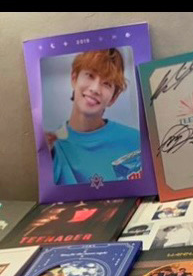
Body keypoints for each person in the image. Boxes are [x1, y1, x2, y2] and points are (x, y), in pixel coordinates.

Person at [45, 49, 141, 186]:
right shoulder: (50, 146)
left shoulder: (136, 141)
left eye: (107, 83)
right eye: (90, 75)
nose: (95, 89)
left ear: (113, 98)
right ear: (74, 78)